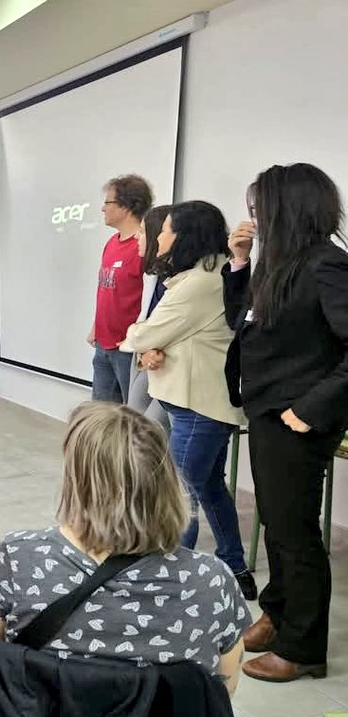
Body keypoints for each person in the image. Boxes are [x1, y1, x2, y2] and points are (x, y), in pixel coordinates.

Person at [0, 402, 249, 694]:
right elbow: (223, 690)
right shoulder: (211, 580)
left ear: (77, 484)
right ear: (166, 482)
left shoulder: (21, 557)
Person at [224, 164, 348, 683]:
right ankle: (277, 611)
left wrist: (310, 409)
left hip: (297, 418)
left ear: (287, 207)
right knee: (275, 520)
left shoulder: (327, 265)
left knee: (295, 533)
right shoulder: (279, 264)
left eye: (260, 208)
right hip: (268, 410)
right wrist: (239, 262)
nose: (255, 218)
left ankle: (303, 647)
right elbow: (243, 324)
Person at [120, 201, 254, 599]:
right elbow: (155, 335)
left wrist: (145, 342)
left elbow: (144, 334)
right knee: (208, 487)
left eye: (163, 231)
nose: (157, 237)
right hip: (193, 402)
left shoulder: (201, 281)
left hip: (200, 406)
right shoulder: (201, 274)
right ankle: (234, 564)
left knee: (182, 491)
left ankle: (174, 572)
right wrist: (149, 342)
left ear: (184, 236)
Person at [87, 175, 152, 403]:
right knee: (101, 414)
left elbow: (151, 299)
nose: (103, 208)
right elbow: (106, 291)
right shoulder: (112, 243)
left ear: (126, 206)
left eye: (108, 203)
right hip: (103, 344)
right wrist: (96, 327)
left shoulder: (143, 247)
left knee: (131, 414)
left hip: (127, 348)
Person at [126, 205, 171, 431]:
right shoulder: (152, 273)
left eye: (143, 231)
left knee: (149, 431)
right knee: (133, 420)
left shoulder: (182, 280)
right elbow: (146, 318)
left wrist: (143, 345)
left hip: (165, 361)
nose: (136, 236)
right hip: (144, 353)